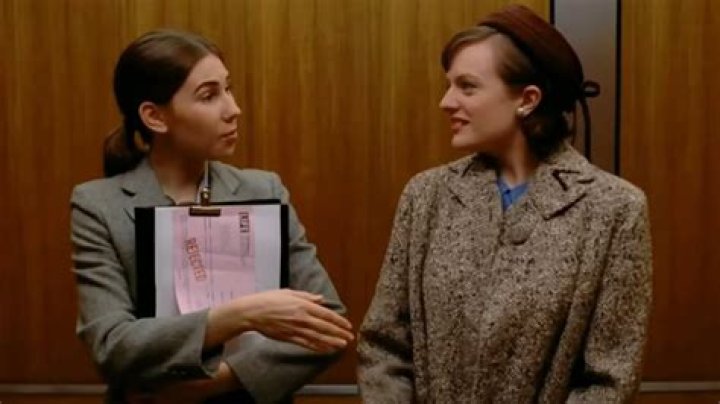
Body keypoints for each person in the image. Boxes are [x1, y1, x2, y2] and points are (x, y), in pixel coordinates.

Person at [358, 5, 652, 403]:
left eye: (467, 87)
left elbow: (609, 380)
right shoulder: (426, 196)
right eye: (449, 85)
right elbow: (383, 347)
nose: (446, 101)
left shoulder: (614, 209)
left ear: (527, 99)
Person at [70, 29, 353, 404]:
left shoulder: (263, 190)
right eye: (209, 96)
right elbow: (111, 345)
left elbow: (331, 323)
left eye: (228, 89)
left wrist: (220, 381)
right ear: (155, 116)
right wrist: (238, 315)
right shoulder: (98, 204)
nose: (233, 109)